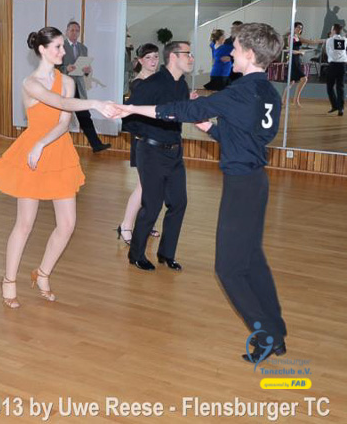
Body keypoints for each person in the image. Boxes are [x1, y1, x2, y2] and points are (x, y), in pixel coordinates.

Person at [117, 23, 288, 364]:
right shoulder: (267, 91)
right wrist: (211, 128)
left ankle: (266, 336)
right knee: (252, 260)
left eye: (235, 49)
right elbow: (249, 137)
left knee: (229, 269)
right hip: (255, 182)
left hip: (242, 186)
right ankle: (276, 332)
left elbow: (183, 110)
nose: (230, 53)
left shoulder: (240, 92)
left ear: (249, 54)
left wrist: (132, 108)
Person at [0, 27, 119, 308]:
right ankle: (8, 280)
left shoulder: (66, 80)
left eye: (62, 47)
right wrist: (94, 103)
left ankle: (42, 273)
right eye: (57, 47)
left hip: (58, 151)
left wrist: (44, 143)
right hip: (32, 153)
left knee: (67, 225)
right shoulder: (30, 83)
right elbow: (59, 102)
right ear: (42, 49)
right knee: (24, 224)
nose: (63, 52)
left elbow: (64, 121)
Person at [124, 41, 193, 271]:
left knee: (178, 203)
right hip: (151, 151)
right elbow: (128, 116)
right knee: (152, 206)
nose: (191, 58)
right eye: (188, 54)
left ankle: (166, 254)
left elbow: (181, 113)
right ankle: (136, 255)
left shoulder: (182, 85)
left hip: (175, 151)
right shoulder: (150, 84)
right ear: (174, 57)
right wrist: (148, 135)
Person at [117, 43, 162, 246]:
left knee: (153, 186)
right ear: (140, 61)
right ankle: (126, 225)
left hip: (158, 138)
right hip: (144, 140)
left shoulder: (157, 80)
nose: (153, 61)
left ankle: (145, 223)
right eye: (149, 57)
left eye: (155, 57)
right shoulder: (138, 84)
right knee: (144, 186)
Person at [59, 21, 111, 153]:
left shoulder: (83, 48)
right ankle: (57, 146)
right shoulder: (60, 47)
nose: (74, 33)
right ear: (66, 31)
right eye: (72, 30)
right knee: (59, 117)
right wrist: (65, 69)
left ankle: (96, 145)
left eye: (77, 30)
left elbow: (84, 69)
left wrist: (87, 70)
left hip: (79, 87)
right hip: (64, 87)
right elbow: (54, 68)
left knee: (84, 116)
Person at [283, 22, 323, 108]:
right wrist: (300, 52)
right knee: (303, 79)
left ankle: (286, 101)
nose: (300, 29)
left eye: (301, 28)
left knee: (291, 82)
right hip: (292, 60)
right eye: (298, 27)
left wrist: (324, 40)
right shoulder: (291, 37)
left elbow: (311, 41)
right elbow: (290, 50)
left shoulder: (298, 37)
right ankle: (294, 100)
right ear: (294, 28)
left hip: (297, 60)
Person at [325, 23, 346, 116]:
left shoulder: (329, 40)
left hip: (333, 65)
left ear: (333, 30)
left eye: (331, 29)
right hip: (342, 65)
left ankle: (335, 105)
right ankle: (341, 108)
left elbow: (327, 52)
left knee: (330, 86)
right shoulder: (344, 39)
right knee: (340, 87)